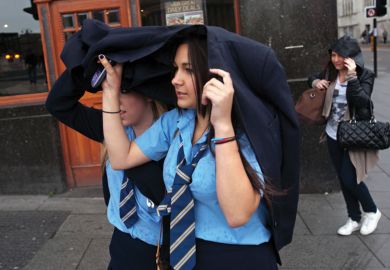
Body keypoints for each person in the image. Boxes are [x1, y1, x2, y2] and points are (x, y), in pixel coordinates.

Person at [101, 33, 283, 269]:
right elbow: (120, 157)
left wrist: (223, 125)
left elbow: (237, 214)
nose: (176, 79)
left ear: (215, 74)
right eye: (176, 69)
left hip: (239, 256)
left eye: (188, 69)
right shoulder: (176, 122)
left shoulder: (245, 129)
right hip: (187, 252)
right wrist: (110, 93)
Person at [45, 68, 168, 269]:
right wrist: (89, 68)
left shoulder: (172, 138)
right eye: (109, 93)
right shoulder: (112, 129)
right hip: (122, 242)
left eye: (123, 91)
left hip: (159, 250)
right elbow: (58, 103)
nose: (113, 100)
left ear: (148, 93)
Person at [308, 35, 381, 236]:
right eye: (333, 55)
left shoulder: (365, 75)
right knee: (342, 177)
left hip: (354, 134)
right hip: (333, 134)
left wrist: (351, 76)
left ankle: (372, 210)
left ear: (352, 57)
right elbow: (310, 77)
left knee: (350, 178)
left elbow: (362, 101)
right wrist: (316, 82)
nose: (336, 59)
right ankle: (354, 218)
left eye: (341, 55)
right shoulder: (330, 71)